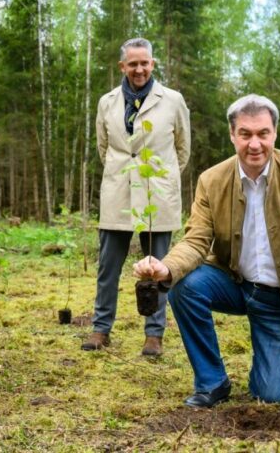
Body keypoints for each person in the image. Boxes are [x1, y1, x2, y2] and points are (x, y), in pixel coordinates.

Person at [132, 94, 280, 407]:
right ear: (232, 135)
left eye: (263, 133)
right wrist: (167, 267)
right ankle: (212, 382)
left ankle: (266, 365)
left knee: (271, 396)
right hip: (234, 283)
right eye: (245, 134)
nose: (255, 144)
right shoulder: (211, 180)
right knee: (184, 285)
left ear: (274, 133)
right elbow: (196, 240)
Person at [82, 37, 191, 356]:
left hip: (157, 194)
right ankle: (101, 329)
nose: (139, 69)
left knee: (157, 268)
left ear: (152, 64)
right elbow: (104, 147)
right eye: (133, 64)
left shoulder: (173, 100)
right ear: (123, 66)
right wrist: (124, 173)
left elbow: (182, 149)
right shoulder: (107, 102)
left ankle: (154, 334)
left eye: (144, 63)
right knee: (108, 267)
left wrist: (162, 176)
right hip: (118, 192)